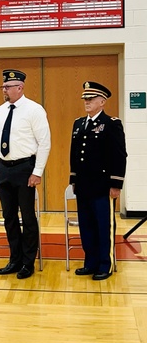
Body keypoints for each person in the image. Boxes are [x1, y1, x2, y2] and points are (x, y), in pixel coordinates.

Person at [0, 69, 50, 280]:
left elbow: (44, 143)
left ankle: (28, 262)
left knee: (27, 216)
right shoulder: (0, 111)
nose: (4, 90)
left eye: (7, 87)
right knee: (9, 217)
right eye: (3, 87)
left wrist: (37, 172)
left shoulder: (34, 110)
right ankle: (14, 260)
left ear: (20, 87)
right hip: (5, 168)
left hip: (25, 168)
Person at [69, 81, 127, 280]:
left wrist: (116, 184)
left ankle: (105, 264)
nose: (86, 101)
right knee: (87, 226)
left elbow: (119, 156)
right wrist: (73, 179)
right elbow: (74, 154)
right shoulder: (78, 123)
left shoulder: (111, 124)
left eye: (91, 99)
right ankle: (90, 262)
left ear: (102, 101)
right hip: (84, 186)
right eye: (85, 98)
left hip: (102, 186)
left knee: (104, 226)